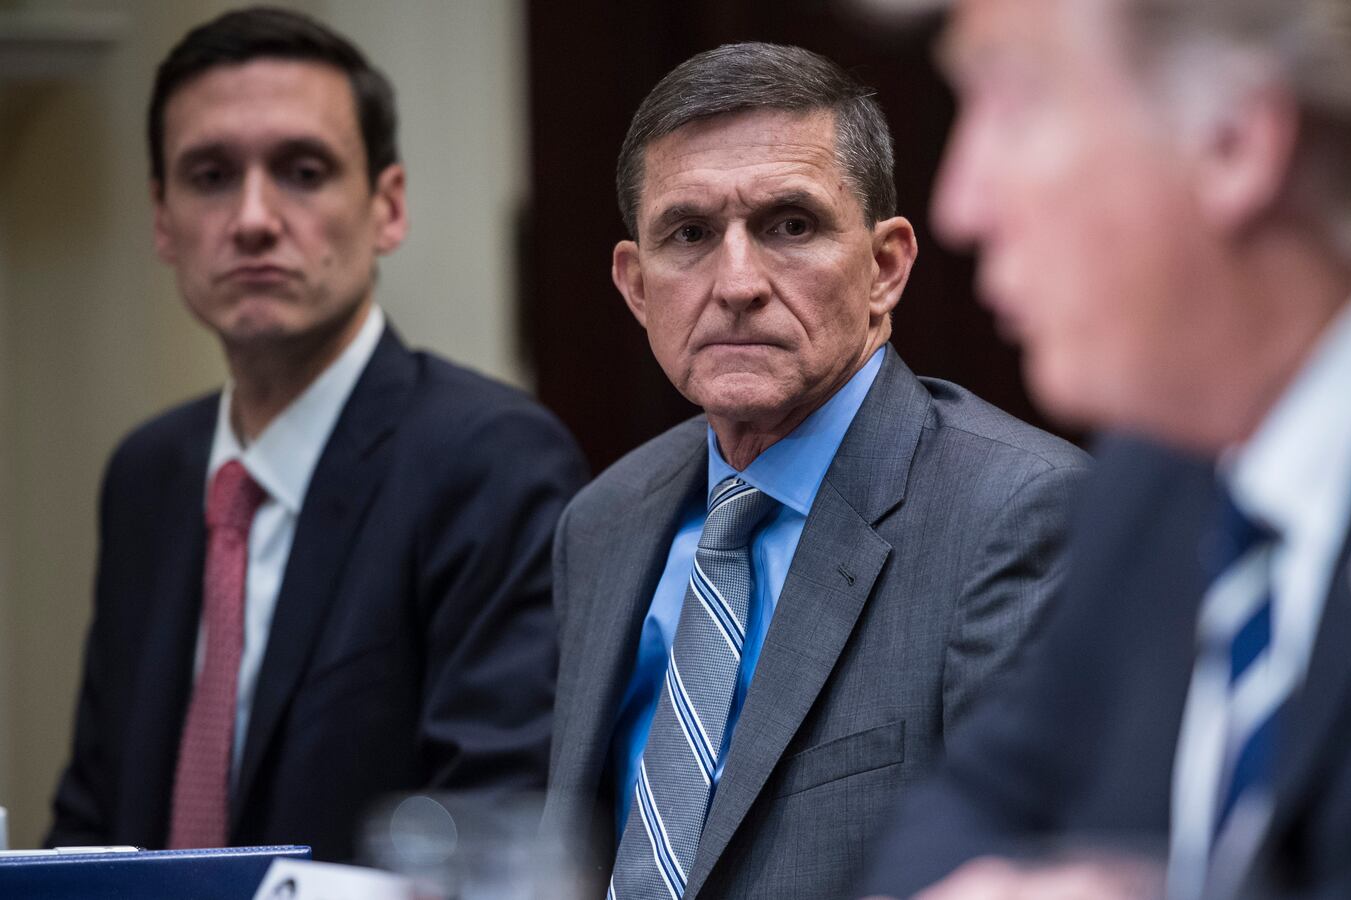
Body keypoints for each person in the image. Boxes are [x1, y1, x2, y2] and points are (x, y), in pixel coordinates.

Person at [861, 0, 1351, 898]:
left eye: (1014, 102)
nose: (959, 205)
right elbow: (970, 806)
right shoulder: (1173, 436)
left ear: (1235, 139)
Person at [539, 42, 1090, 900]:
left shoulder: (1017, 514)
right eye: (688, 235)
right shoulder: (601, 522)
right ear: (636, 287)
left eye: (789, 226)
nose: (737, 282)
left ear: (886, 267)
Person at [47, 6, 587, 862]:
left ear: (387, 207)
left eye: (302, 170)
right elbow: (92, 820)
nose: (254, 218)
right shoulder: (148, 473)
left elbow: (487, 844)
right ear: (162, 219)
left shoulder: (492, 463)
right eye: (211, 175)